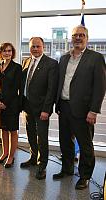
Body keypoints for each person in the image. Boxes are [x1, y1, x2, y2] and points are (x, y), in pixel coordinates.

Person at [53, 25, 106, 190]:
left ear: (87, 38)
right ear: (71, 38)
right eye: (75, 35)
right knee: (65, 142)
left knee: (85, 145)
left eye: (81, 35)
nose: (78, 38)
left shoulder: (96, 58)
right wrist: (57, 103)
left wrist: (93, 110)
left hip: (84, 111)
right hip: (64, 106)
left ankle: (85, 176)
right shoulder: (63, 58)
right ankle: (67, 169)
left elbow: (100, 86)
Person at [20, 37, 58, 180]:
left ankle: (42, 166)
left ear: (43, 47)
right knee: (30, 135)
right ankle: (33, 158)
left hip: (42, 109)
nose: (35, 49)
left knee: (42, 138)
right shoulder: (26, 61)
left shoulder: (51, 64)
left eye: (38, 46)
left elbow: (51, 89)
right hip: (27, 106)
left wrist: (46, 110)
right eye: (32, 46)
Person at [0, 43, 22, 168]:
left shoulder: (17, 67)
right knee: (3, 129)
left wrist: (6, 103)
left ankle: (11, 156)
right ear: (1, 53)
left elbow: (16, 88)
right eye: (5, 51)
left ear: (13, 52)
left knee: (12, 130)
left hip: (12, 104)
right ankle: (4, 153)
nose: (7, 53)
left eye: (9, 51)